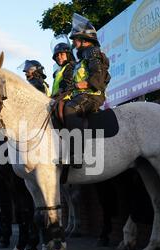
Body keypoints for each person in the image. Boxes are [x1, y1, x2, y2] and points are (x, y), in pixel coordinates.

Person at [64, 13, 111, 167]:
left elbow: (97, 79)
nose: (74, 42)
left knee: (70, 109)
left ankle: (77, 155)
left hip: (93, 96)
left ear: (85, 40)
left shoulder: (92, 52)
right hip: (82, 95)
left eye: (76, 39)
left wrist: (78, 86)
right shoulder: (83, 57)